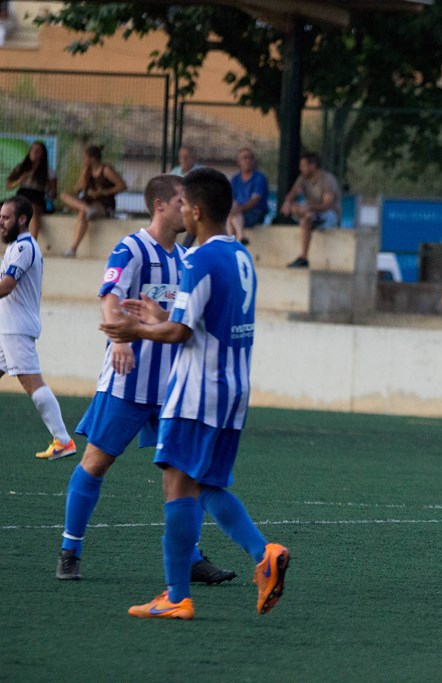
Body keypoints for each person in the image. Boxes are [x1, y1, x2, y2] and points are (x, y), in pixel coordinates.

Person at [100, 168, 289, 620]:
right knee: (207, 484)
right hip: (233, 390)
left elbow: (181, 333)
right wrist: (160, 316)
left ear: (198, 211)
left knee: (177, 483)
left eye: (185, 203)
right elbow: (204, 318)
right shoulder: (240, 255)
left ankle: (176, 596)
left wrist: (135, 329)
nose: (181, 209)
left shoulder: (199, 258)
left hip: (197, 391)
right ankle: (264, 554)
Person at [55, 174, 234, 586]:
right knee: (96, 462)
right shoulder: (131, 248)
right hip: (128, 381)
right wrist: (119, 340)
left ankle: (191, 558)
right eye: (181, 201)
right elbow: (109, 298)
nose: (188, 209)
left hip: (174, 388)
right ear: (160, 205)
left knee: (186, 472)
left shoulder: (186, 257)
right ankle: (69, 550)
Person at [0, 196, 76, 460]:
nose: (1, 222)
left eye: (6, 218)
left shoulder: (24, 247)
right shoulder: (16, 246)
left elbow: (7, 286)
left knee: (32, 383)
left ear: (21, 219)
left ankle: (63, 441)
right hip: (8, 327)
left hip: (16, 328)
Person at [59, 145, 126, 258]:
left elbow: (122, 186)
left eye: (85, 157)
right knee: (64, 195)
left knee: (82, 213)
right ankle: (88, 210)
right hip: (88, 202)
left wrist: (104, 192)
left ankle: (73, 249)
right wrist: (84, 174)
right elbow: (78, 189)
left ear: (92, 158)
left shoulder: (106, 170)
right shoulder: (87, 170)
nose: (83, 160)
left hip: (103, 203)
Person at [281, 152, 341, 268]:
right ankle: (309, 221)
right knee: (299, 211)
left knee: (307, 215)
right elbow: (293, 192)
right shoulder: (303, 178)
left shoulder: (327, 179)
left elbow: (327, 205)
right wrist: (287, 202)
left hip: (329, 214)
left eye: (303, 166)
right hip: (311, 212)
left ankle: (303, 257)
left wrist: (310, 207)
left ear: (312, 166)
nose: (300, 169)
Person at [6, 140, 55, 239]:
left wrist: (49, 192)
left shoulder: (48, 171)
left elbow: (54, 192)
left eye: (38, 150)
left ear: (43, 154)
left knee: (32, 210)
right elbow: (8, 185)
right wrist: (18, 181)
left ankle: (32, 241)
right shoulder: (21, 167)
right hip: (22, 193)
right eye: (33, 149)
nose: (34, 152)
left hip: (37, 195)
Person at [228, 147, 269, 244]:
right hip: (238, 214)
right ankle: (237, 239)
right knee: (229, 216)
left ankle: (237, 238)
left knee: (233, 215)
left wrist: (237, 209)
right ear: (238, 162)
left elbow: (255, 200)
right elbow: (231, 199)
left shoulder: (259, 178)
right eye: (244, 158)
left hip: (255, 213)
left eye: (250, 158)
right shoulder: (235, 179)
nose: (248, 161)